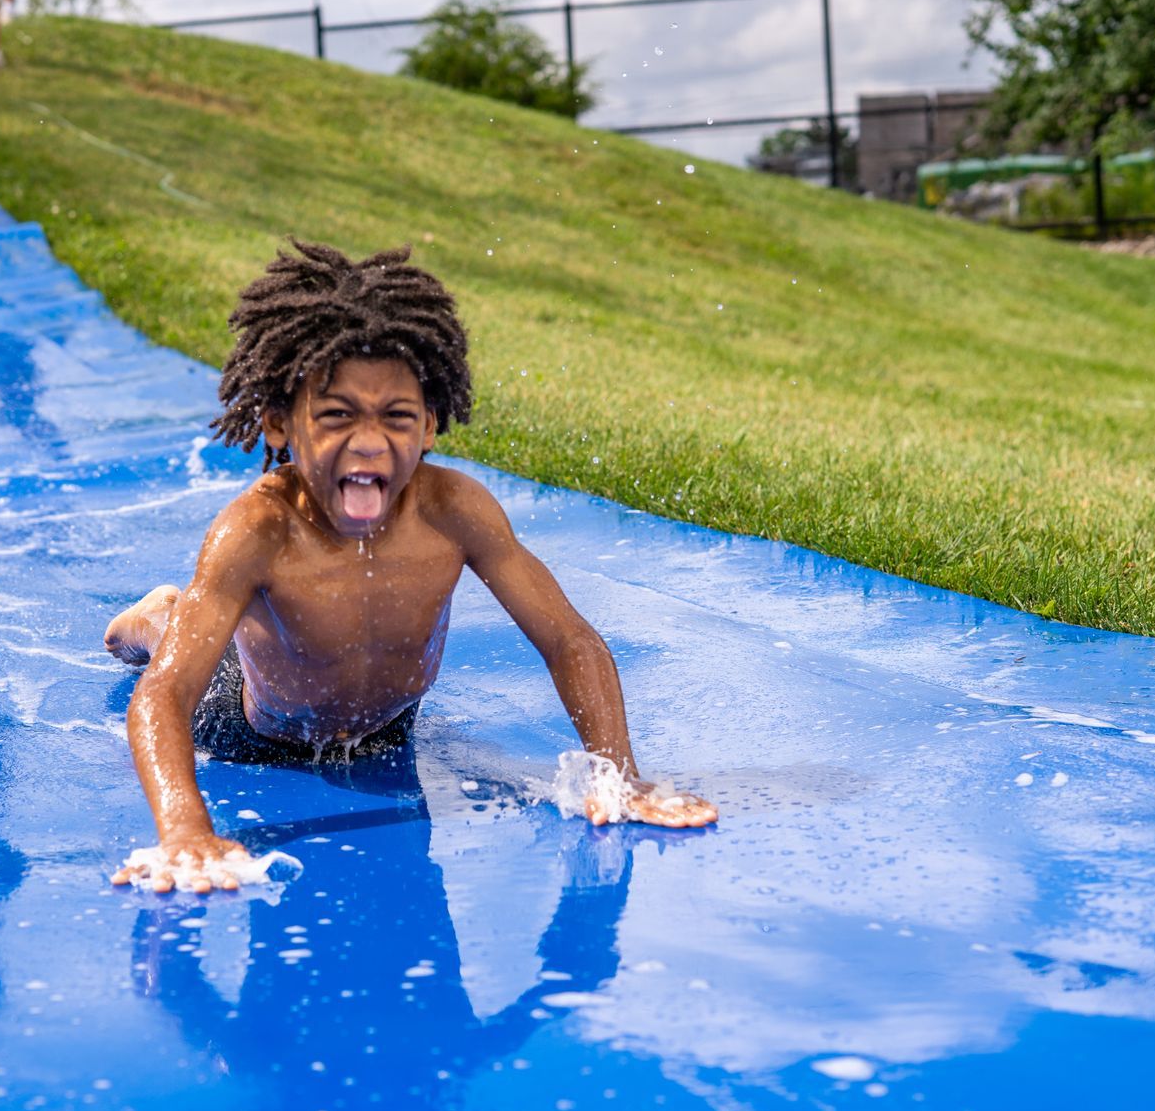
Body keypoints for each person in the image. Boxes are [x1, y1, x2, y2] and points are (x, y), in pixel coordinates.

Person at [105, 241, 718, 893]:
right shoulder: (257, 530)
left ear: (428, 427)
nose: (368, 441)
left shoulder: (454, 510)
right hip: (255, 729)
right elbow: (166, 694)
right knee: (181, 644)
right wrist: (184, 828)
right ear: (280, 426)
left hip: (388, 727)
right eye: (337, 415)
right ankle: (156, 617)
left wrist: (618, 775)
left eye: (395, 417)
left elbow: (569, 638)